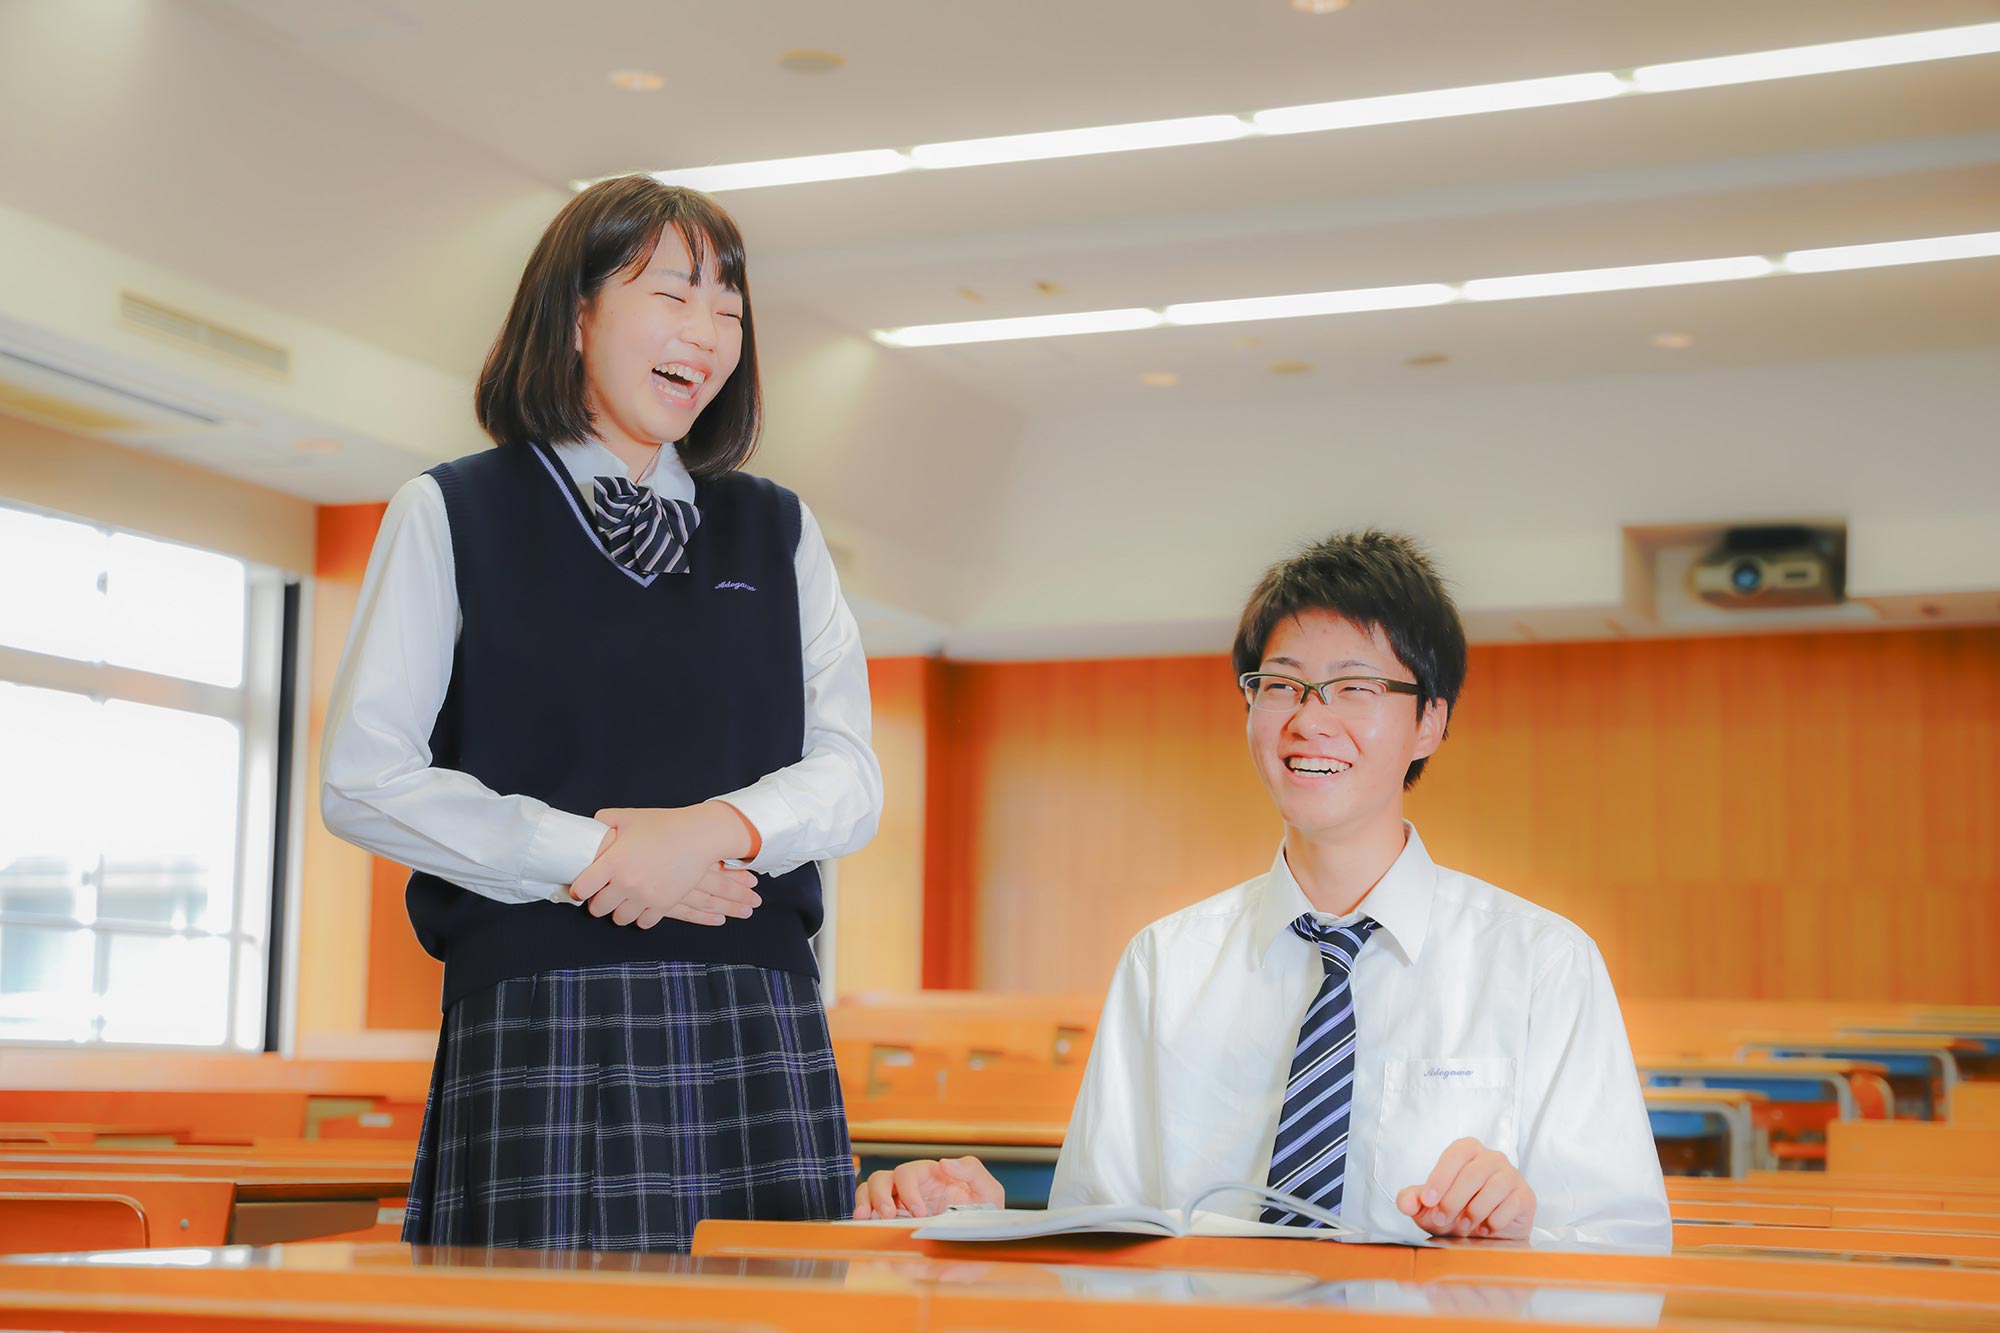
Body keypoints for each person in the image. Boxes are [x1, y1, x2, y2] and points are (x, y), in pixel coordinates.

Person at [322, 176, 882, 1252]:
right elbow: (363, 775)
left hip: (754, 1012)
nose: (707, 333)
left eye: (728, 309)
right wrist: (591, 856)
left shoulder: (776, 528)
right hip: (544, 1011)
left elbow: (848, 774)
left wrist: (703, 834)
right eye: (672, 294)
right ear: (575, 316)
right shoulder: (452, 509)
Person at [854, 531, 1669, 1248]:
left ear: (1430, 721)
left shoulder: (1542, 963)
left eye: (1354, 687)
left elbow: (1625, 1245)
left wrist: (1523, 1230)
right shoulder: (1166, 961)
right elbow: (1098, 1229)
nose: (1309, 719)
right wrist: (981, 1218)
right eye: (1280, 684)